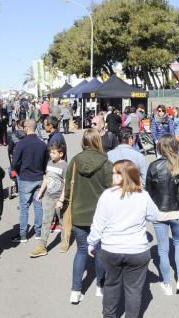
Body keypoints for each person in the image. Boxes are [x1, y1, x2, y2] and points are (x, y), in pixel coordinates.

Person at [87, 160, 159, 318]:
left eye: (114, 173)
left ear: (122, 176)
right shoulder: (143, 196)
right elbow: (154, 215)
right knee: (134, 290)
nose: (112, 176)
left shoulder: (107, 195)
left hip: (112, 249)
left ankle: (108, 315)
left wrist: (92, 243)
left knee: (111, 284)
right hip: (137, 250)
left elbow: (98, 223)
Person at [56, 129, 112, 304]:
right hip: (100, 216)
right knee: (101, 251)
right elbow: (111, 189)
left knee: (81, 251)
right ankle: (100, 287)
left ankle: (75, 290)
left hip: (78, 213)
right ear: (98, 141)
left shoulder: (74, 161)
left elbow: (67, 191)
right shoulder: (106, 162)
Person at [146, 134, 179, 295]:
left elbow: (149, 192)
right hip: (178, 211)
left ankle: (166, 284)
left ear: (160, 148)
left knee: (163, 249)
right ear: (175, 147)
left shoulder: (153, 166)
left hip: (159, 212)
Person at [11, 119, 49, 243]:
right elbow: (45, 162)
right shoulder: (42, 144)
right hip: (38, 178)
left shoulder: (22, 143)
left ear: (26, 128)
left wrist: (19, 171)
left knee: (24, 207)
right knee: (38, 206)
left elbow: (15, 162)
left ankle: (23, 235)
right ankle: (38, 232)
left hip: (25, 178)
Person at [30, 141, 68, 258]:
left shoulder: (65, 165)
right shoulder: (50, 163)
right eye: (50, 152)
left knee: (62, 221)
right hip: (48, 197)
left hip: (59, 198)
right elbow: (46, 179)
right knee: (46, 221)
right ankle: (42, 245)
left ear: (61, 154)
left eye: (53, 152)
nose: (51, 154)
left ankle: (64, 241)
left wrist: (61, 200)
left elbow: (66, 184)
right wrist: (41, 192)